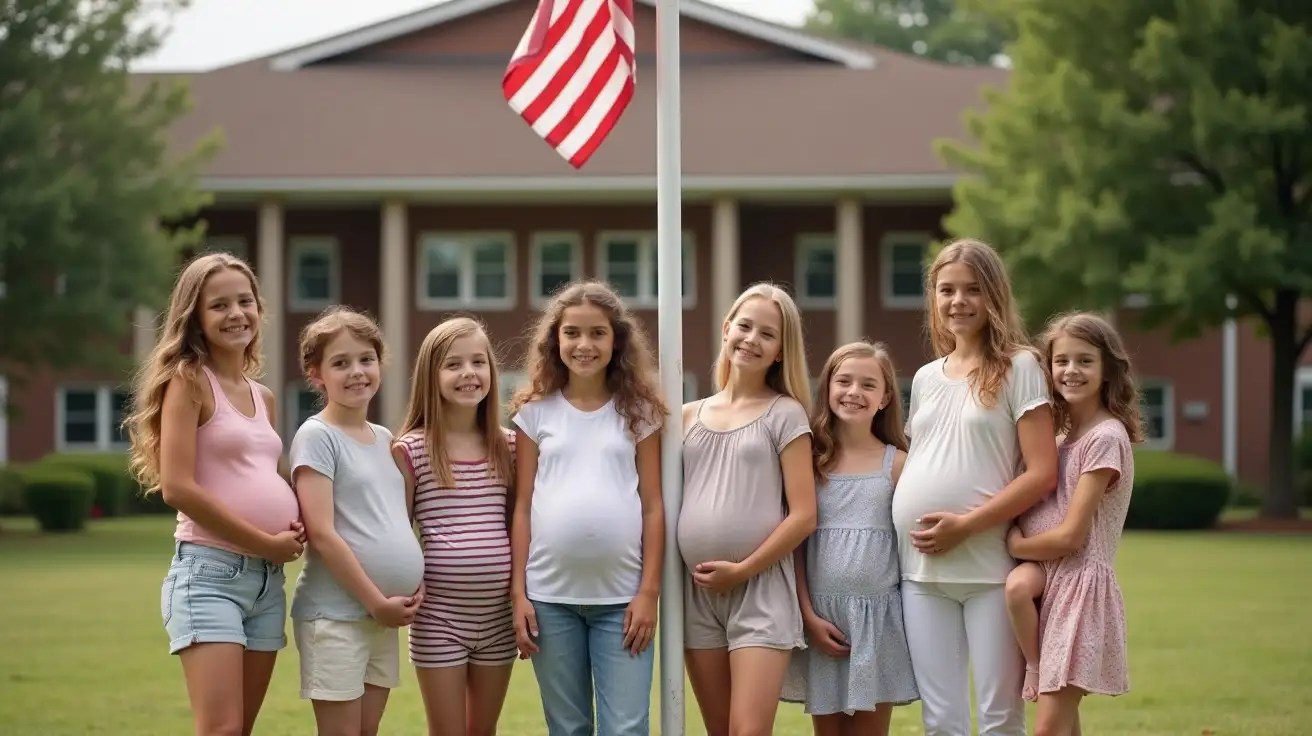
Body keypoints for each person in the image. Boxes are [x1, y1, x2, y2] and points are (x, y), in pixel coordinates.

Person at [125, 252, 303, 736]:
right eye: (219, 305)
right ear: (196, 320)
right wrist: (265, 541)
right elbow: (178, 487)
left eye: (244, 301)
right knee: (220, 729)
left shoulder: (261, 395)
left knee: (240, 729)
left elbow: (264, 476)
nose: (236, 313)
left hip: (267, 584)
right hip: (210, 575)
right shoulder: (188, 381)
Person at [890, 238, 1058, 736]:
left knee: (1000, 715)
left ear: (994, 297)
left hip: (990, 572)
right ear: (933, 299)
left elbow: (1042, 471)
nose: (957, 301)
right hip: (920, 573)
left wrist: (965, 526)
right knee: (940, 719)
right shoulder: (924, 378)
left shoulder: (1020, 367)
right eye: (946, 290)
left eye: (972, 290)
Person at [509, 280, 667, 736]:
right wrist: (519, 594)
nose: (584, 344)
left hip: (623, 602)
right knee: (568, 726)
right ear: (554, 340)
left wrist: (648, 593)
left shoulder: (640, 413)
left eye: (597, 333)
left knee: (626, 727)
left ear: (616, 340)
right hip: (549, 601)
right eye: (572, 333)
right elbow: (521, 508)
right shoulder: (533, 413)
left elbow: (653, 508)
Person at [679, 282, 817, 736]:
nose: (752, 340)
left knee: (748, 732)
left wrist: (742, 569)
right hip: (696, 595)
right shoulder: (684, 417)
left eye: (768, 334)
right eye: (745, 326)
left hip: (759, 590)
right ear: (726, 329)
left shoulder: (785, 414)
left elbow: (803, 515)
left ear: (780, 351)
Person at [288, 306, 426, 735]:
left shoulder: (385, 438)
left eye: (366, 359)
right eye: (340, 363)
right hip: (336, 616)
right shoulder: (316, 436)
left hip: (382, 618)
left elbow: (392, 521)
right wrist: (375, 602)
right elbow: (324, 535)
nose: (356, 372)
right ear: (317, 375)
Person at [1004, 312, 1139, 736]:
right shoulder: (1058, 438)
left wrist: (1014, 545)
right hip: (1047, 582)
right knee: (1064, 729)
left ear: (1107, 371)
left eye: (1085, 361)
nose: (1071, 371)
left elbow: (1071, 537)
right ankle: (1035, 665)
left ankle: (1036, 669)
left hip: (1079, 592)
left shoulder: (1106, 438)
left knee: (1046, 729)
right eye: (1061, 361)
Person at [782, 341, 920, 736]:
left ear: (885, 397)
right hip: (823, 617)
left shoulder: (898, 464)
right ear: (827, 387)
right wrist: (808, 615)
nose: (854, 392)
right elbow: (797, 546)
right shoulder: (809, 460)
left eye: (867, 385)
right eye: (843, 381)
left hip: (878, 621)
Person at [393, 316, 518, 736]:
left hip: (498, 617)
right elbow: (396, 533)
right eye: (453, 364)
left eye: (478, 362)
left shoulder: (511, 446)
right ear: (432, 375)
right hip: (438, 619)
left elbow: (519, 524)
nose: (469, 374)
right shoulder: (410, 449)